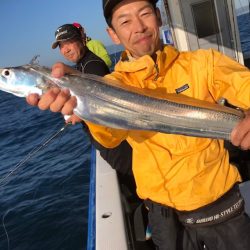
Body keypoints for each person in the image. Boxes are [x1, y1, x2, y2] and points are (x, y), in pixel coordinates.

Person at [27, 0, 250, 249]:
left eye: (144, 14)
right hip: (161, 212)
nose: (139, 27)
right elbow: (109, 138)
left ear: (158, 16)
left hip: (218, 203)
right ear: (113, 34)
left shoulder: (203, 62)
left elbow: (243, 83)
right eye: (125, 21)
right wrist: (85, 106)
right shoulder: (112, 84)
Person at [51, 23, 136, 199]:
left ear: (82, 40)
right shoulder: (81, 65)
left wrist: (77, 115)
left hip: (116, 144)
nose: (65, 49)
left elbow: (104, 104)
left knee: (133, 186)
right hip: (107, 140)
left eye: (69, 42)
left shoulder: (92, 66)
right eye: (61, 45)